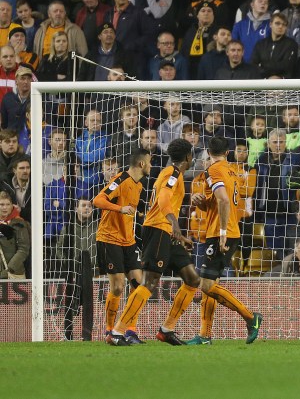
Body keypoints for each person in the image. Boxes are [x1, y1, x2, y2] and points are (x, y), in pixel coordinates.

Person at [106, 139, 262, 346]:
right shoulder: (172, 174)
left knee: (192, 279)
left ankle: (167, 329)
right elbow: (163, 199)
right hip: (159, 229)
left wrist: (179, 233)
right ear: (188, 157)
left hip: (167, 232)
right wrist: (176, 227)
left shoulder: (174, 173)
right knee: (150, 282)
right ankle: (117, 331)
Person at [182, 136, 262, 345]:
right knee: (211, 284)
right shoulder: (233, 171)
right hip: (226, 230)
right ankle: (205, 335)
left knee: (206, 285)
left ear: (208, 152)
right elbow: (220, 201)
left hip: (220, 233)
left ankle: (250, 317)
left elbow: (225, 200)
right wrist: (203, 202)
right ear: (228, 153)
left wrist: (223, 232)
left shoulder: (213, 171)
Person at [92, 149, 149, 344]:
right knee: (117, 287)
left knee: (138, 286)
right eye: (149, 162)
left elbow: (131, 209)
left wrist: (140, 215)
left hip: (128, 240)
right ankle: (110, 331)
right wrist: (120, 208)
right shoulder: (120, 179)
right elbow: (98, 200)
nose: (151, 166)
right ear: (141, 164)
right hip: (109, 239)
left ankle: (129, 331)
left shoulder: (139, 185)